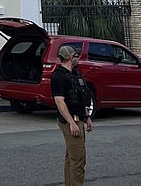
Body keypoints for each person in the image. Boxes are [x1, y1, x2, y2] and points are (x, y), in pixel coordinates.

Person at [51, 45, 94, 186]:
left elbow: (81, 97)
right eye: (76, 56)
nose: (78, 59)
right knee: (78, 159)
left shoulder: (75, 74)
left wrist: (87, 117)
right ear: (70, 57)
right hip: (71, 121)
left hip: (79, 118)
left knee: (72, 157)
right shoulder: (59, 76)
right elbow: (59, 101)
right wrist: (71, 122)